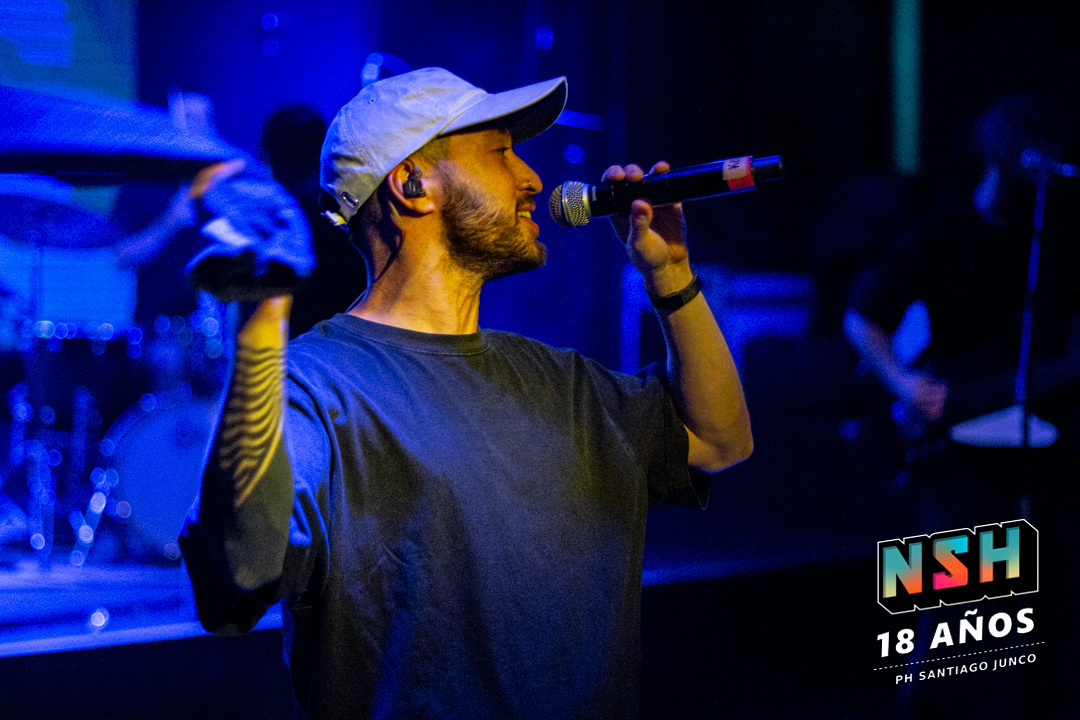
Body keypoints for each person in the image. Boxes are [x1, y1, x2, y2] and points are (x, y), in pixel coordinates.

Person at [179, 67, 752, 718]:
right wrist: (259, 324)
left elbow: (719, 440)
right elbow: (242, 569)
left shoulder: (560, 379)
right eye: (501, 153)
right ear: (413, 184)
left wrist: (672, 275)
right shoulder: (316, 384)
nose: (532, 178)